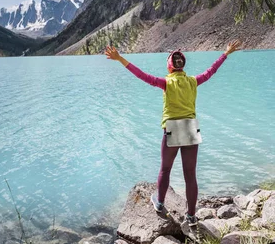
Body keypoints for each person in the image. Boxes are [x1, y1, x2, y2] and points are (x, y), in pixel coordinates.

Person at [104, 41, 242, 226]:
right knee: (190, 174)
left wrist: (120, 58)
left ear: (170, 66)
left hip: (173, 128)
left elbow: (142, 75)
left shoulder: (166, 82)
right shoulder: (193, 81)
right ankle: (191, 216)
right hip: (191, 127)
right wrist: (225, 54)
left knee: (165, 169)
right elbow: (211, 71)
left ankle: (159, 204)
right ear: (182, 65)